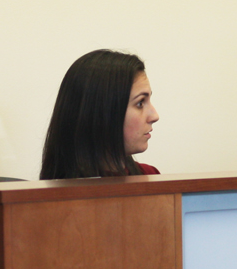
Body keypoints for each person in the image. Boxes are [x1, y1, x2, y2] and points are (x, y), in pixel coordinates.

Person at [40, 49, 161, 179]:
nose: (155, 116)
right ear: (101, 113)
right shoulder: (61, 191)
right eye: (140, 103)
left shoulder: (150, 176)